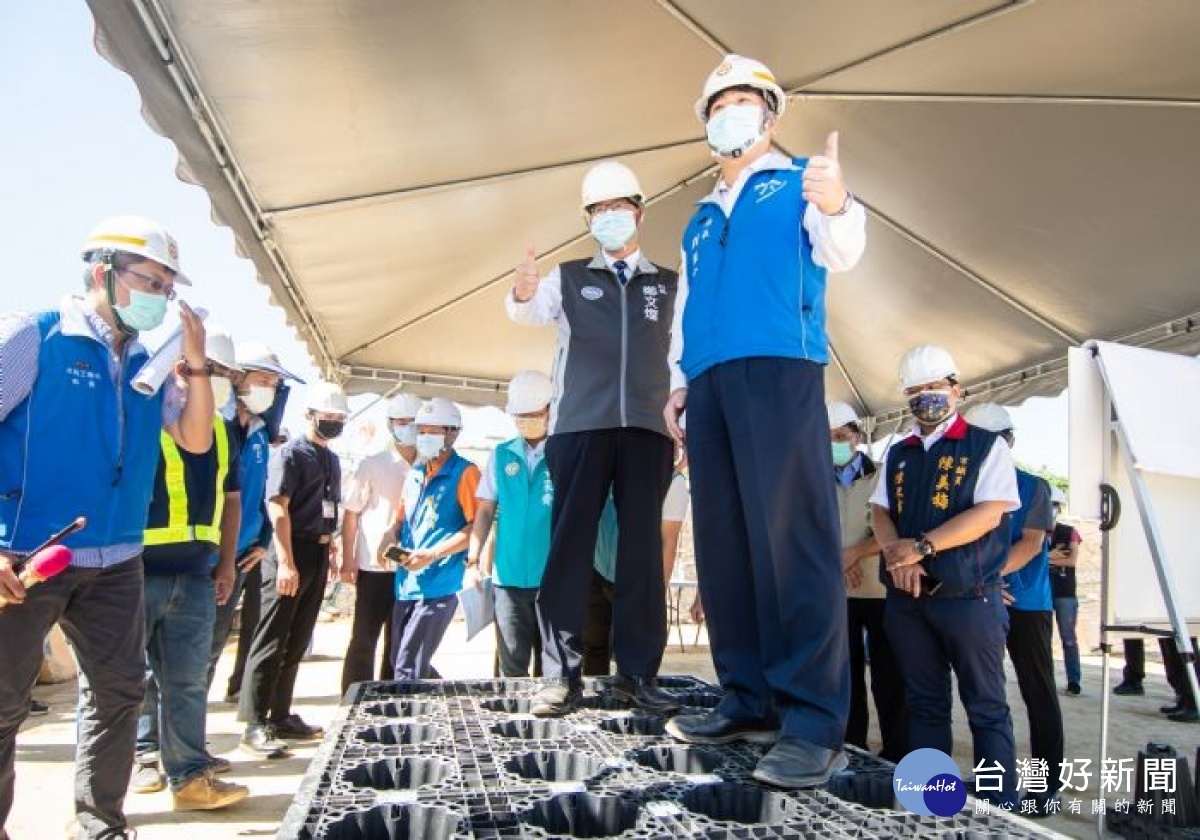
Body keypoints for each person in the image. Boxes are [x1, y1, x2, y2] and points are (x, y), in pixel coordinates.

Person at [662, 54, 866, 789]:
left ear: (770, 115)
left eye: (744, 101)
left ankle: (811, 720)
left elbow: (843, 250)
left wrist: (839, 202)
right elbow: (686, 310)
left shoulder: (803, 181)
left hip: (780, 368)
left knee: (792, 543)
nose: (730, 113)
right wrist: (679, 383)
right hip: (709, 382)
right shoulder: (697, 217)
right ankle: (746, 696)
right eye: (718, 104)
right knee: (725, 545)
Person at [0, 216, 213, 840]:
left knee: (119, 693)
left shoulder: (151, 361)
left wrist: (195, 364)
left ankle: (100, 822)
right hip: (27, 558)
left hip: (118, 557)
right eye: (150, 281)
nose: (160, 297)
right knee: (4, 705)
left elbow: (196, 438)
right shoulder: (36, 336)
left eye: (168, 288)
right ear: (103, 273)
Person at [508, 161, 679, 716]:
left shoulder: (668, 283)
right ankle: (560, 676)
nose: (610, 218)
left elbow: (684, 355)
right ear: (588, 219)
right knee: (569, 549)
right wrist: (522, 290)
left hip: (648, 430)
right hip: (579, 427)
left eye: (619, 208)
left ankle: (639, 674)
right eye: (599, 211)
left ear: (639, 211)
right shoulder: (569, 277)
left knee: (641, 555)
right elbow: (530, 311)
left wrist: (685, 414)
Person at [870, 346, 1021, 808]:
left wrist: (923, 546)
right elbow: (879, 511)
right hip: (909, 599)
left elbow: (989, 513)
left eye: (934, 388)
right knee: (925, 703)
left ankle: (999, 807)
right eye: (915, 392)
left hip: (969, 597)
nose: (926, 398)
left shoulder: (984, 446)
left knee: (986, 707)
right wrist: (903, 559)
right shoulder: (899, 451)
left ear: (955, 389)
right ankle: (931, 803)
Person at [132, 327, 249, 810]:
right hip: (135, 571)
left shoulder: (222, 432)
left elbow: (231, 500)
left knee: (186, 680)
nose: (221, 383)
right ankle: (139, 759)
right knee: (127, 679)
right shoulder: (143, 416)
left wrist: (225, 563)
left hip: (196, 575)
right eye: (214, 371)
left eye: (222, 374)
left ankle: (188, 776)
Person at [238, 381, 347, 757]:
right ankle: (255, 722)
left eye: (338, 417)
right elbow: (278, 506)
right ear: (310, 415)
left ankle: (281, 714)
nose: (332, 422)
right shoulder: (290, 455)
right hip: (289, 550)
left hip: (316, 551)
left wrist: (329, 546)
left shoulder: (330, 459)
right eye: (326, 416)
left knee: (297, 638)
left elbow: (328, 507)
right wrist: (285, 561)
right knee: (272, 637)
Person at [965, 402, 1063, 815]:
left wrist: (988, 579)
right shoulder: (963, 488)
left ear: (1010, 442)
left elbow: (1030, 543)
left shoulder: (1033, 487)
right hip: (977, 600)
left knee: (1037, 691)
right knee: (985, 695)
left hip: (1025, 605)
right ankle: (993, 777)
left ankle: (1047, 785)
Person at [207, 342, 302, 704]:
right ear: (236, 377)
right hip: (207, 552)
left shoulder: (262, 433)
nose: (270, 389)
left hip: (243, 554)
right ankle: (154, 741)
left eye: (275, 384)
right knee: (187, 651)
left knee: (213, 646)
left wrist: (262, 540)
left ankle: (188, 739)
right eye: (263, 379)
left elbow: (264, 492)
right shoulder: (214, 421)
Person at [379, 398, 480, 680]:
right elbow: (400, 521)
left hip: (440, 582)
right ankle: (441, 702)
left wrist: (433, 554)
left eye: (432, 432)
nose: (424, 437)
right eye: (420, 430)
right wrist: (388, 537)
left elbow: (475, 527)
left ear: (453, 433)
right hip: (407, 582)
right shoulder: (415, 473)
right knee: (400, 657)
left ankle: (409, 721)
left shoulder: (466, 473)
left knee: (407, 665)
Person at [828, 401, 907, 763]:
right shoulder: (812, 479)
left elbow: (897, 529)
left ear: (858, 436)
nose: (837, 441)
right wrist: (839, 561)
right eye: (829, 437)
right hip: (835, 592)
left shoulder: (883, 475)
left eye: (843, 435)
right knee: (844, 676)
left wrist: (855, 553)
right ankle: (852, 747)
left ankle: (895, 752)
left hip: (879, 590)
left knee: (889, 675)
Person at [468, 373, 554, 678]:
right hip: (509, 578)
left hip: (553, 578)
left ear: (550, 410)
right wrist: (473, 557)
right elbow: (485, 510)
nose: (527, 420)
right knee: (511, 666)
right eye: (521, 415)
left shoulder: (564, 452)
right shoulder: (501, 454)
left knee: (552, 668)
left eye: (534, 414)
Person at [338, 392, 420, 693]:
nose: (407, 427)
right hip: (374, 566)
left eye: (413, 422)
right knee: (364, 637)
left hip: (411, 567)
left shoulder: (429, 466)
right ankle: (353, 696)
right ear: (391, 425)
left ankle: (388, 695)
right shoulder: (373, 464)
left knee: (398, 639)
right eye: (401, 422)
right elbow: (351, 515)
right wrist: (348, 560)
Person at [1047, 487, 1083, 695]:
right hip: (1043, 591)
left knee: (1068, 638)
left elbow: (1071, 559)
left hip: (1065, 593)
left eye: (1054, 506)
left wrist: (1045, 556)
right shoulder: (1034, 531)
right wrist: (1052, 555)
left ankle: (1074, 680)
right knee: (1044, 638)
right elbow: (1031, 557)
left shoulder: (1070, 532)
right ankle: (1047, 680)